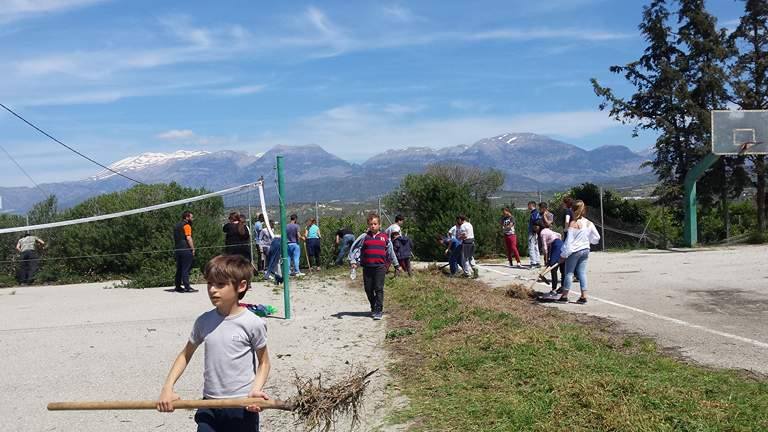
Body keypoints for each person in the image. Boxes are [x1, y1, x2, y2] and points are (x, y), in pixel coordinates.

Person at [157, 255, 271, 431]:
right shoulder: (203, 321)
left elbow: (264, 362)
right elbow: (185, 355)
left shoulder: (253, 323)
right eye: (209, 283)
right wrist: (168, 387)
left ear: (241, 286)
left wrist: (255, 390)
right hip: (209, 404)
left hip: (242, 406)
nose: (212, 290)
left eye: (220, 284)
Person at [541, 200, 600, 304]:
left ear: (573, 210)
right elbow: (597, 237)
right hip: (585, 250)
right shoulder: (588, 222)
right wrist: (587, 241)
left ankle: (564, 297)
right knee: (582, 273)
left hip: (574, 251)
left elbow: (569, 242)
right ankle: (583, 296)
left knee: (569, 273)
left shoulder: (573, 223)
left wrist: (563, 255)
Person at [349, 213, 399, 320]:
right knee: (368, 289)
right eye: (371, 224)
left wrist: (396, 264)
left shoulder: (385, 238)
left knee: (379, 288)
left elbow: (391, 252)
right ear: (368, 225)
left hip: (380, 267)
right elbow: (355, 248)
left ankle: (378, 309)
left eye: (375, 224)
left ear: (379, 225)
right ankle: (373, 305)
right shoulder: (364, 237)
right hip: (367, 267)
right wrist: (353, 261)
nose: (373, 226)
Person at [173, 211, 197, 293]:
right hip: (185, 249)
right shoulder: (187, 226)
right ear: (187, 217)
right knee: (186, 269)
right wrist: (193, 248)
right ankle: (187, 287)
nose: (192, 219)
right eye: (191, 217)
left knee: (179, 268)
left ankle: (178, 286)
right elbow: (188, 238)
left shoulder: (176, 226)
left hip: (177, 249)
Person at [538, 224, 563, 296]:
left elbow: (545, 248)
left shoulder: (542, 233)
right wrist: (548, 259)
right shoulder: (548, 230)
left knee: (554, 268)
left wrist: (546, 259)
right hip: (560, 244)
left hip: (556, 245)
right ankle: (563, 287)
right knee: (561, 267)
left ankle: (554, 289)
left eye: (535, 227)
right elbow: (559, 235)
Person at [527, 201, 542, 268]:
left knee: (531, 247)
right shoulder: (536, 213)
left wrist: (534, 229)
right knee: (536, 247)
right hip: (535, 232)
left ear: (531, 205)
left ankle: (533, 263)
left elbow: (536, 221)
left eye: (528, 205)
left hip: (532, 232)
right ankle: (537, 261)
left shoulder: (534, 213)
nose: (528, 207)